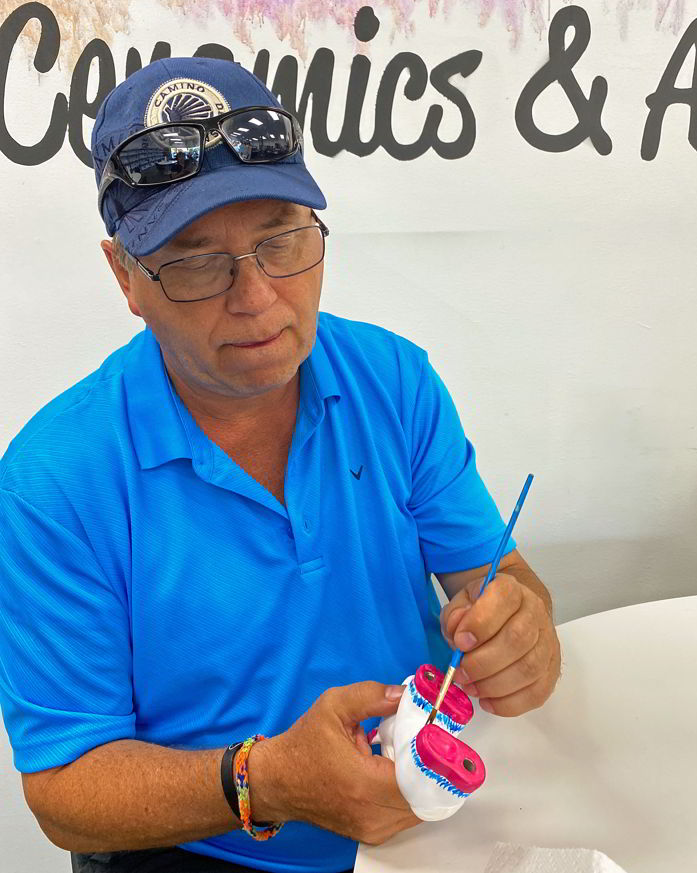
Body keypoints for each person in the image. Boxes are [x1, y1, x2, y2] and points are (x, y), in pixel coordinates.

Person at [0, 57, 561, 873]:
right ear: (126, 276)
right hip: (206, 842)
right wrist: (263, 781)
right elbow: (63, 789)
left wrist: (525, 632)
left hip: (424, 825)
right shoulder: (56, 477)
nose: (258, 297)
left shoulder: (395, 381)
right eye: (195, 261)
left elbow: (498, 579)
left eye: (282, 240)